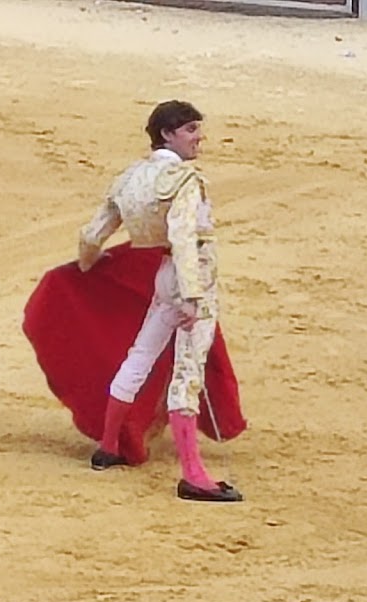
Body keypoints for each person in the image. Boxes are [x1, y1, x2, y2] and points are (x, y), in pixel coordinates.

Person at [76, 100, 242, 502]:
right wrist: (191, 297)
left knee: (140, 355)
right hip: (190, 276)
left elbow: (92, 235)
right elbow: (184, 239)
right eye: (189, 130)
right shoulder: (183, 180)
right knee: (187, 368)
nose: (199, 137)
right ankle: (194, 476)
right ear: (166, 134)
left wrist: (86, 269)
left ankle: (108, 446)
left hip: (162, 275)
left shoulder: (130, 179)